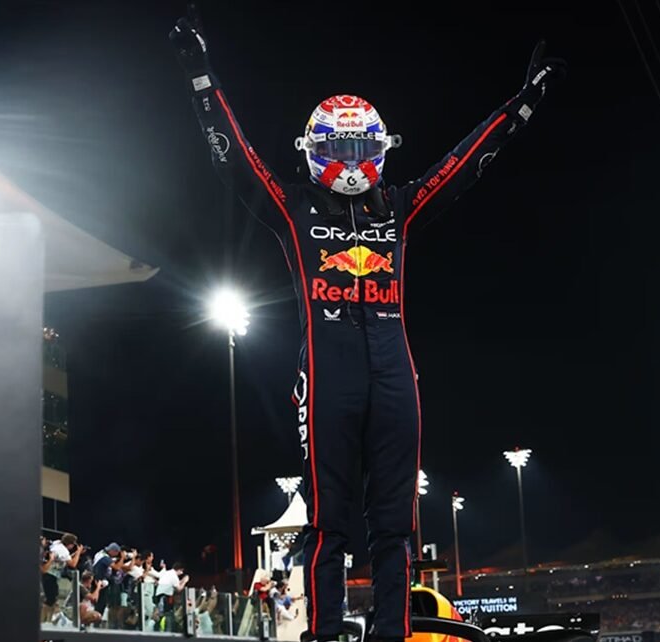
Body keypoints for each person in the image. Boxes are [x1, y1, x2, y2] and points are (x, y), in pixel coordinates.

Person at [171, 6, 565, 642]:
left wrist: (520, 106)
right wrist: (200, 75)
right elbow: (235, 160)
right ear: (314, 151)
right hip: (327, 379)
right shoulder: (293, 208)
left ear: (381, 151)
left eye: (361, 148)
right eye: (339, 148)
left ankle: (392, 634)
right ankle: (325, 634)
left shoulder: (400, 209)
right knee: (327, 522)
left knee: (395, 524)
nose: (351, 161)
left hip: (394, 377)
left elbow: (464, 164)